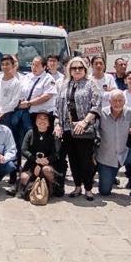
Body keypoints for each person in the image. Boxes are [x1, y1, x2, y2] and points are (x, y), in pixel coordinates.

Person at [55, 56, 101, 200]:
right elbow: (57, 107)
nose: (77, 70)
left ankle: (88, 188)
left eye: (80, 68)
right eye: (73, 68)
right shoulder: (64, 85)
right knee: (73, 159)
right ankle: (77, 186)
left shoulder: (90, 84)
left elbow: (96, 105)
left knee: (85, 160)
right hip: (68, 129)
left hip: (83, 128)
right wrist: (57, 124)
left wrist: (84, 122)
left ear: (85, 69)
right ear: (69, 70)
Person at [96, 90, 131, 197]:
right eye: (114, 101)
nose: (117, 103)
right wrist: (92, 154)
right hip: (106, 159)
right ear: (109, 101)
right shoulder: (101, 114)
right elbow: (93, 135)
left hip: (124, 154)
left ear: (124, 101)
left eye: (120, 100)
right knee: (105, 192)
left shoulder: (130, 113)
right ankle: (110, 177)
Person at [17, 112, 65, 199]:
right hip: (32, 163)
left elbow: (57, 153)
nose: (42, 120)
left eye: (45, 118)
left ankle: (53, 189)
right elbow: (24, 150)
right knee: (24, 177)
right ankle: (31, 189)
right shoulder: (30, 133)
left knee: (46, 169)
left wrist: (46, 161)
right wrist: (36, 160)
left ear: (49, 122)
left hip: (50, 163)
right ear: (35, 121)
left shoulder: (54, 134)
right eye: (39, 118)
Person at [17, 55, 57, 157]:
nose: (34, 67)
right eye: (33, 64)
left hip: (43, 115)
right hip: (28, 114)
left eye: (37, 65)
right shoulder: (27, 77)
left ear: (44, 67)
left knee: (42, 142)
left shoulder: (49, 79)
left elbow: (47, 96)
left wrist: (29, 103)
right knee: (26, 141)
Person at [0, 55, 24, 138]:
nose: (5, 66)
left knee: (5, 139)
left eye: (7, 64)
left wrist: (1, 112)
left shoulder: (16, 83)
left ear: (13, 66)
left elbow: (14, 103)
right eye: (3, 64)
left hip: (7, 116)